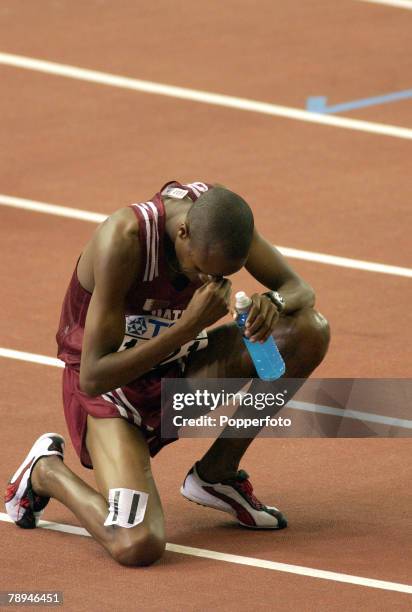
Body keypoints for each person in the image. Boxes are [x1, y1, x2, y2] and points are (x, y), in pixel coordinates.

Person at [5, 180, 330, 566]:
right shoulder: (123, 240)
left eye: (221, 277)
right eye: (199, 270)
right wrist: (187, 327)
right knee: (137, 544)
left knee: (308, 331)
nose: (206, 283)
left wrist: (271, 302)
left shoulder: (221, 218)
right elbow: (94, 376)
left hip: (178, 369)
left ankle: (217, 474)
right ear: (182, 232)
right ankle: (45, 472)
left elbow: (299, 289)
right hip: (110, 395)